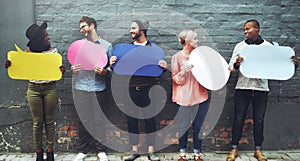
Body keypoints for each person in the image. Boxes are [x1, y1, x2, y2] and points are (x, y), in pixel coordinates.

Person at [226, 19, 298, 161]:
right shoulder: (240, 46)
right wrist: (237, 64)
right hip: (243, 87)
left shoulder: (269, 47)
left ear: (257, 29)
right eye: (244, 30)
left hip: (261, 89)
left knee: (259, 120)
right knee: (238, 119)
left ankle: (258, 150)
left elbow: (276, 67)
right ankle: (234, 149)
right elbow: (230, 68)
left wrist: (292, 64)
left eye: (248, 29)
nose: (245, 32)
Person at [5, 22, 65, 161]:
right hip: (33, 89)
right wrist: (11, 65)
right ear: (39, 39)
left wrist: (61, 70)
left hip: (50, 88)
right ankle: (39, 151)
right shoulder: (27, 54)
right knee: (37, 122)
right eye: (45, 36)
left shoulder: (53, 52)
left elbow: (56, 69)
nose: (48, 37)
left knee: (49, 121)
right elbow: (17, 67)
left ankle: (50, 151)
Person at [110, 19, 168, 161]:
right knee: (132, 120)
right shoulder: (126, 49)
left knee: (150, 119)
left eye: (134, 28)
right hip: (130, 89)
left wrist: (164, 68)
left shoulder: (153, 49)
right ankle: (134, 151)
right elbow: (120, 70)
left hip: (149, 89)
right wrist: (112, 65)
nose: (131, 31)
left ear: (142, 30)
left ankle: (151, 151)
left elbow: (157, 70)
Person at [71, 16, 113, 161]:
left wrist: (104, 72)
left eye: (84, 26)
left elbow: (111, 70)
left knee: (99, 120)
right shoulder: (78, 46)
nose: (81, 30)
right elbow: (73, 64)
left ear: (92, 26)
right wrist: (73, 69)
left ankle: (100, 150)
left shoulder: (106, 46)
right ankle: (83, 150)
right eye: (80, 28)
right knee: (84, 120)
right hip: (81, 87)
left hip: (98, 87)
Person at [171, 30, 209, 161]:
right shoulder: (177, 57)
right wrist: (183, 72)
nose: (197, 41)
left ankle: (197, 153)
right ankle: (182, 154)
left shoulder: (200, 56)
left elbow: (208, 76)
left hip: (200, 96)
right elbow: (175, 79)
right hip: (184, 98)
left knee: (198, 126)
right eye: (195, 39)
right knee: (183, 126)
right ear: (187, 41)